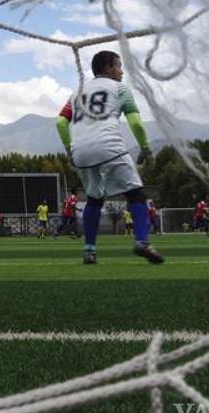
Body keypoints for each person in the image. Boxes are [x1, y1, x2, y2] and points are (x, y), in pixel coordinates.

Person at [56, 49, 164, 265]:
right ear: (107, 68)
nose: (122, 72)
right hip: (109, 146)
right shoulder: (120, 89)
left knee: (95, 199)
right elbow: (136, 124)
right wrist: (145, 148)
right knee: (136, 194)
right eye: (118, 66)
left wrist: (69, 150)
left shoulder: (76, 92)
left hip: (81, 152)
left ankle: (89, 250)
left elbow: (60, 123)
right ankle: (142, 241)